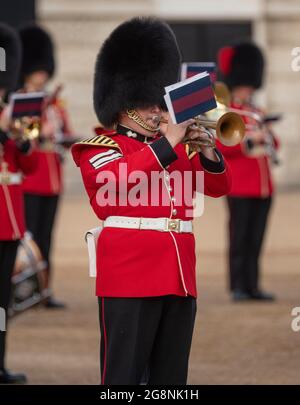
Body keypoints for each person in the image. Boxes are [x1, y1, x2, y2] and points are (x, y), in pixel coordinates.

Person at [72, 17, 231, 385]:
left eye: (158, 103)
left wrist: (208, 152)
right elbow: (118, 184)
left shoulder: (171, 149)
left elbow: (219, 187)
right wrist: (169, 143)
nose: (157, 112)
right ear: (122, 107)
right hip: (129, 276)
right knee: (124, 379)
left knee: (171, 379)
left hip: (178, 274)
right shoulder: (100, 149)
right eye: (147, 106)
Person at [217, 42, 279, 302]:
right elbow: (222, 146)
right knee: (239, 238)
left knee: (255, 240)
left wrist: (266, 135)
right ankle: (238, 286)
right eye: (244, 86)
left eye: (250, 86)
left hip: (264, 187)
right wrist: (249, 142)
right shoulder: (228, 112)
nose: (247, 91)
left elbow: (275, 144)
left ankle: (253, 285)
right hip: (240, 186)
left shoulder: (257, 112)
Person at [18, 24, 74, 309]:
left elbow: (64, 132)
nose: (41, 75)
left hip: (52, 178)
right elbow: (23, 137)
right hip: (32, 178)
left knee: (47, 237)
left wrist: (62, 134)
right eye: (37, 70)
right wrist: (43, 129)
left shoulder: (55, 102)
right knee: (30, 240)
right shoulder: (22, 101)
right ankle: (26, 289)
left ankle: (44, 290)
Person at [0, 23, 37, 384]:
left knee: (2, 302)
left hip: (8, 225)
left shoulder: (9, 118)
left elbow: (29, 166)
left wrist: (20, 140)